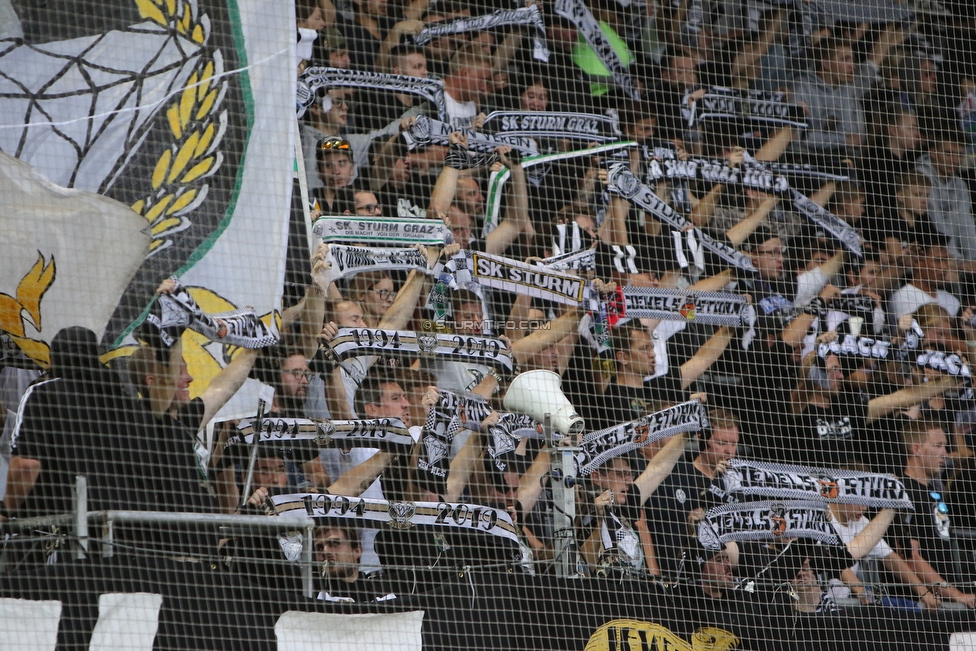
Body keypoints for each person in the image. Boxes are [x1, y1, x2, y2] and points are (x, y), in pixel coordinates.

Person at [643, 409, 740, 579]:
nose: (729, 451)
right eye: (722, 442)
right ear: (702, 439)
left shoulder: (738, 488)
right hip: (680, 577)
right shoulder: (676, 475)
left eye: (733, 444)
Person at [892, 419, 976, 608]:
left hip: (946, 600)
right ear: (917, 449)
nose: (945, 453)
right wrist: (954, 593)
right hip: (922, 606)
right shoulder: (904, 492)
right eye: (938, 446)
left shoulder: (931, 492)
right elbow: (909, 556)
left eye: (945, 446)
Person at [314, 525, 396, 603]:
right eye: (319, 548)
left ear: (357, 551)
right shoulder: (310, 590)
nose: (325, 551)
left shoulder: (385, 589)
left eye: (334, 543)